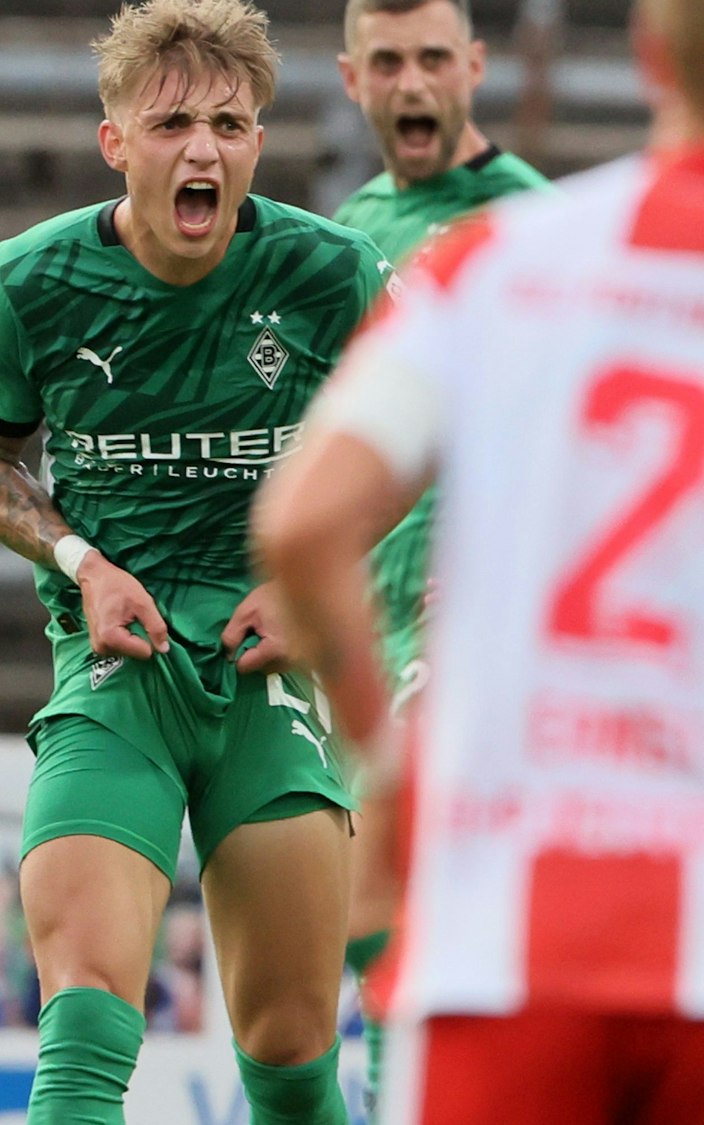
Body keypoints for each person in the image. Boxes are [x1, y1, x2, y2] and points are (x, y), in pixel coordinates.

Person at [256, 0, 704, 1118]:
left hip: (508, 917)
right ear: (354, 76)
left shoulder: (504, 255)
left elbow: (300, 523)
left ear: (648, 55)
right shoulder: (405, 229)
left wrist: (387, 758)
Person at [0, 2, 392, 1121]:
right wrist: (82, 562)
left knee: (291, 1059)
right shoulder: (29, 279)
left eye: (229, 126)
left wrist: (309, 589)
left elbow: (423, 448)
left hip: (264, 678)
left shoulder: (332, 273)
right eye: (172, 124)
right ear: (114, 142)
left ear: (257, 143)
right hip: (117, 674)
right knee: (86, 1024)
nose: (203, 149)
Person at [329, 4, 549, 1102]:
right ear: (350, 78)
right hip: (361, 630)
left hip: (468, 633)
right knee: (367, 943)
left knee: (412, 928)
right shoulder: (349, 226)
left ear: (474, 65)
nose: (410, 84)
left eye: (430, 60)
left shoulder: (532, 225)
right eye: (386, 63)